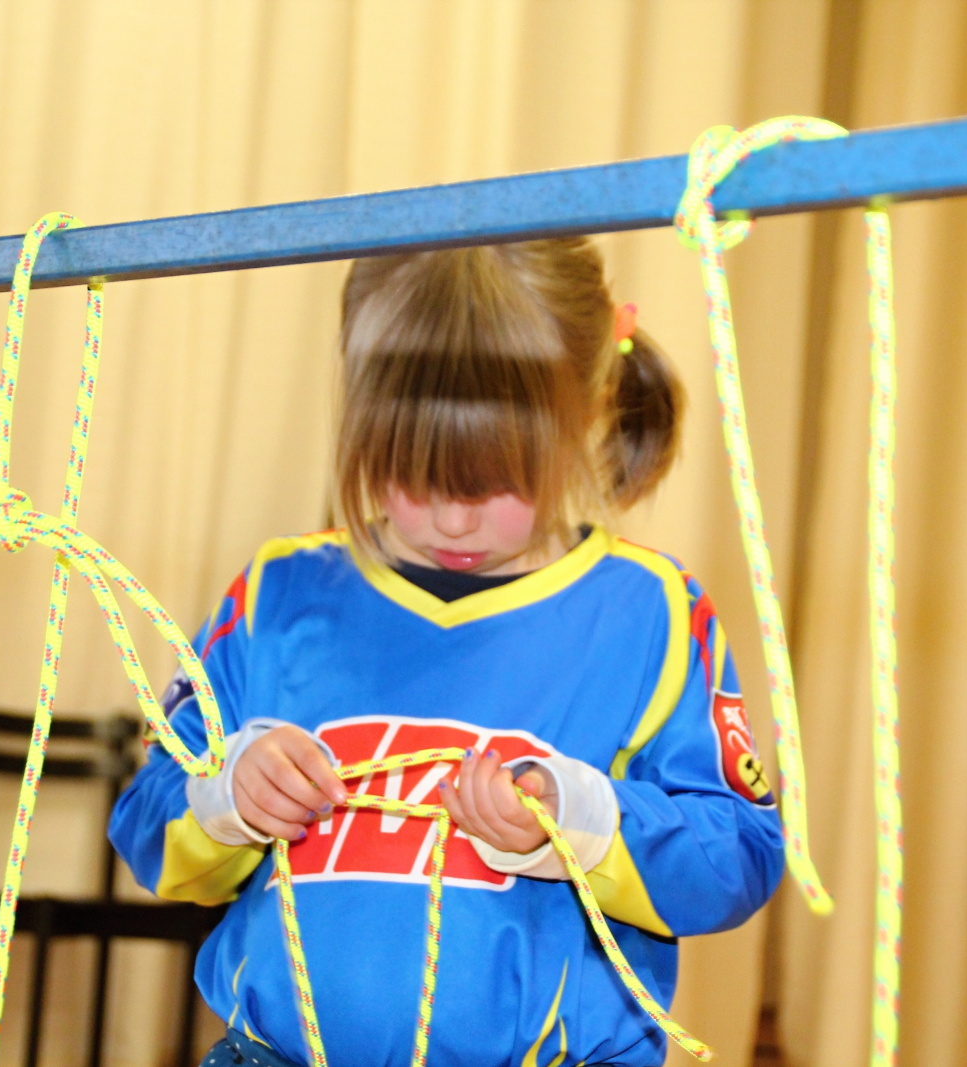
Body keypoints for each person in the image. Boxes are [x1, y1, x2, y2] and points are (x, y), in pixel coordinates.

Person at [110, 239, 785, 1067]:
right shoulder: (277, 593)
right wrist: (229, 796)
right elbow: (144, 820)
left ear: (587, 412)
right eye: (414, 473)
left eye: (497, 480)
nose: (454, 519)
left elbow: (741, 854)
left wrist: (584, 819)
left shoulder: (652, 610)